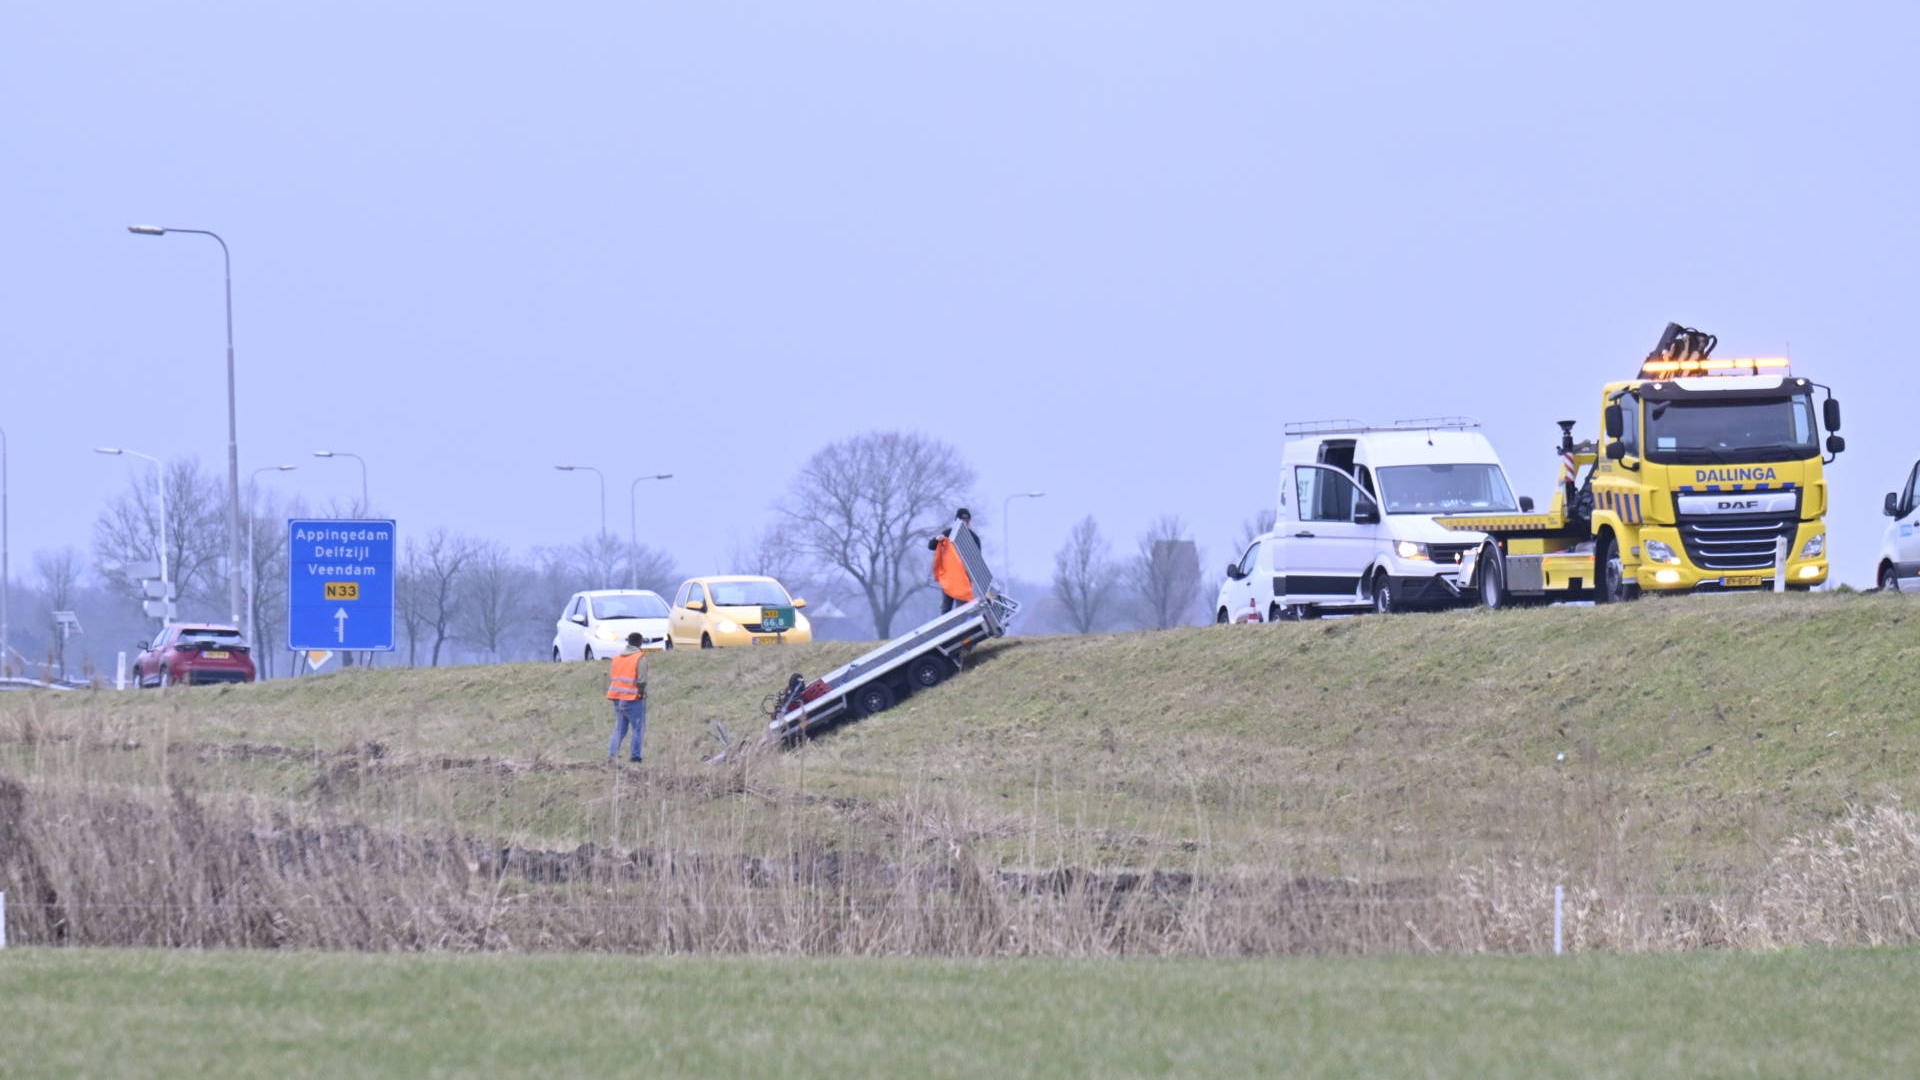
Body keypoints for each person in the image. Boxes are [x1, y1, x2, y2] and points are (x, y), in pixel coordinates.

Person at [606, 631, 650, 763]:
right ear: (640, 642)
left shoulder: (617, 658)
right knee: (638, 728)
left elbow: (614, 676)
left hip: (616, 697)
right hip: (632, 698)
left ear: (628, 642)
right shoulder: (640, 657)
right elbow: (641, 680)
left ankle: (612, 755)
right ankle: (635, 757)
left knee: (620, 728)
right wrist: (641, 693)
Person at [928, 507, 979, 613]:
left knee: (962, 609)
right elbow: (931, 545)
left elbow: (978, 560)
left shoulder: (974, 538)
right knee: (946, 608)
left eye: (967, 521)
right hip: (948, 577)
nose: (965, 523)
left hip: (963, 580)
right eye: (962, 521)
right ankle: (947, 628)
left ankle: (963, 628)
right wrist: (938, 539)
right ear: (957, 521)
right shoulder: (948, 533)